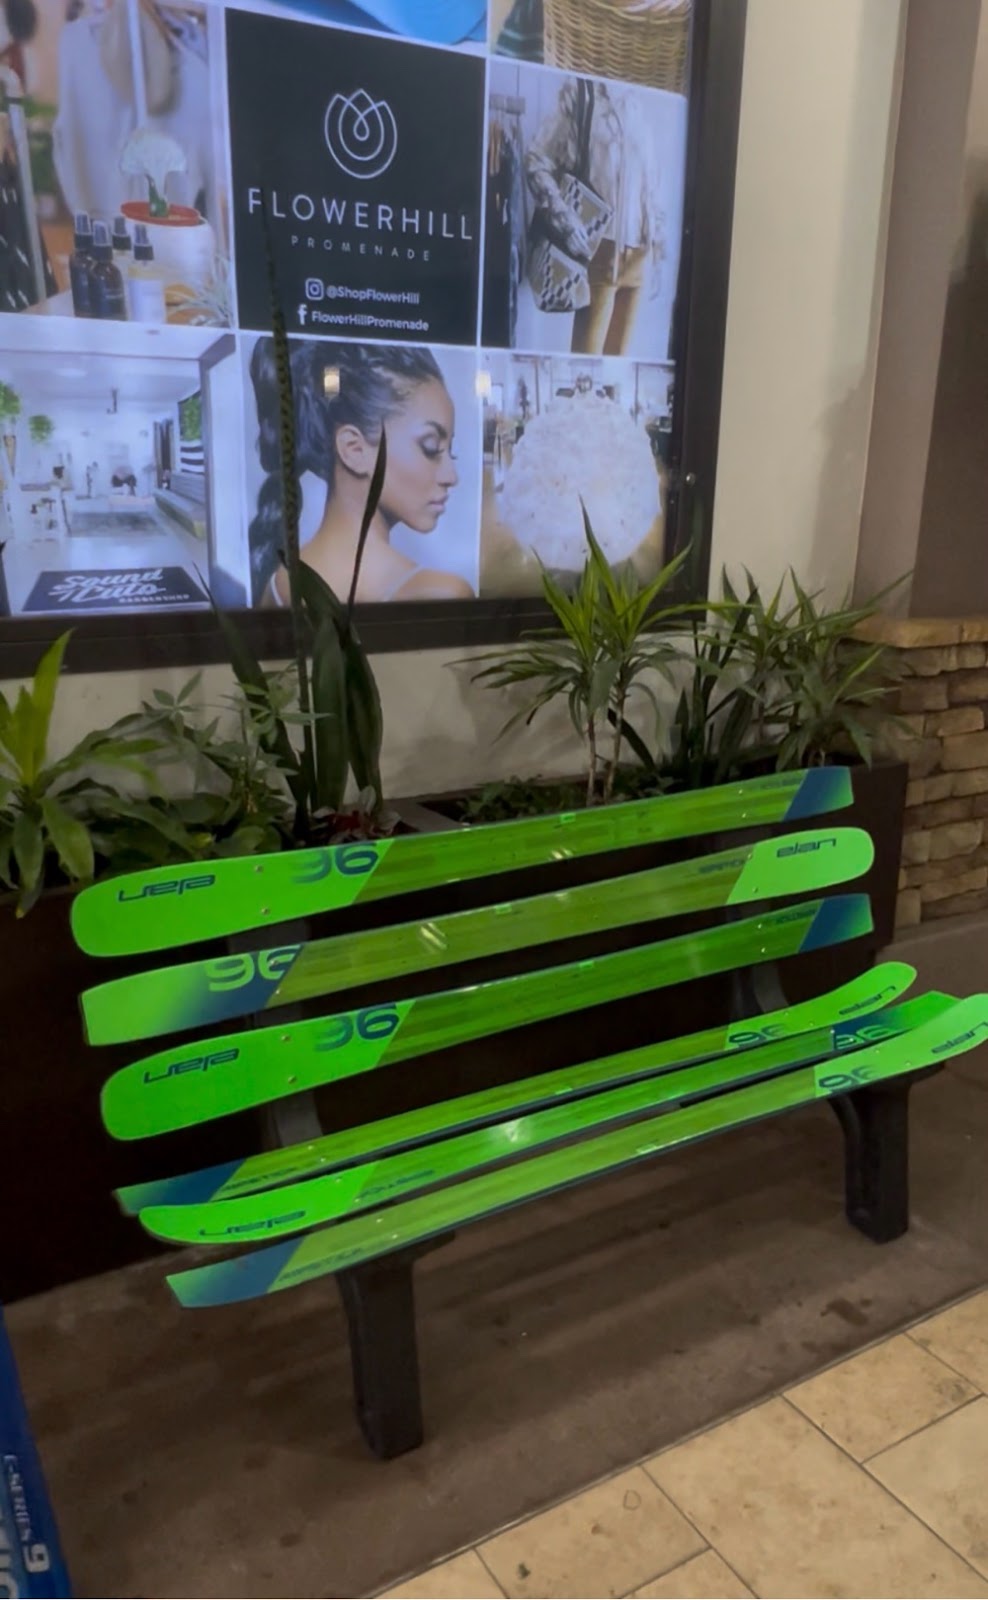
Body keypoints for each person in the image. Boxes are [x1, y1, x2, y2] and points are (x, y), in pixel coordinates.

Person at [249, 339, 473, 607]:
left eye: (451, 452)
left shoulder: (279, 584)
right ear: (354, 450)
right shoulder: (442, 593)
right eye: (431, 447)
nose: (451, 476)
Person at [526, 76, 666, 357]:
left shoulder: (637, 103)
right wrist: (565, 218)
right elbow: (536, 161)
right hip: (599, 251)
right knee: (585, 364)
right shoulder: (580, 95)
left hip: (638, 257)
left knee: (618, 365)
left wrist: (660, 246)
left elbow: (650, 184)